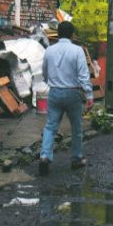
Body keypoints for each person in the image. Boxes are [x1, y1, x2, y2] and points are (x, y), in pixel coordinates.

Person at [38, 21, 94, 176]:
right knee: (76, 127)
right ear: (72, 34)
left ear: (58, 34)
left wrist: (51, 81)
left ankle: (45, 156)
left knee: (50, 126)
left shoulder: (49, 50)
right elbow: (83, 75)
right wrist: (89, 94)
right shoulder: (77, 51)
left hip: (54, 92)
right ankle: (76, 158)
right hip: (72, 93)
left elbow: (44, 72)